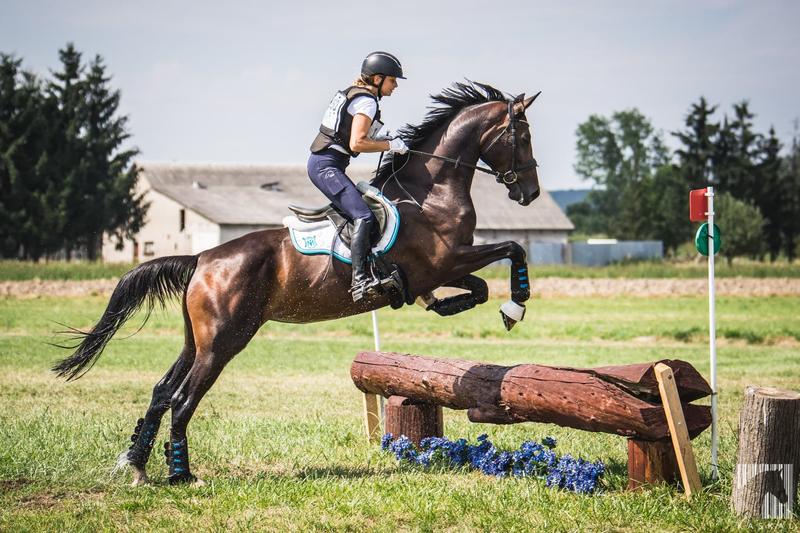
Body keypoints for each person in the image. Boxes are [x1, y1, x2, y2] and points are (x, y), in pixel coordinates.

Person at [308, 51, 409, 302]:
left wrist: (386, 136)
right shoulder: (367, 101)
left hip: (327, 163)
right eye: (392, 80)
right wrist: (389, 146)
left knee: (362, 214)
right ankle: (360, 280)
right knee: (363, 215)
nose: (395, 86)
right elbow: (358, 141)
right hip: (326, 166)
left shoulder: (357, 94)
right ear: (377, 78)